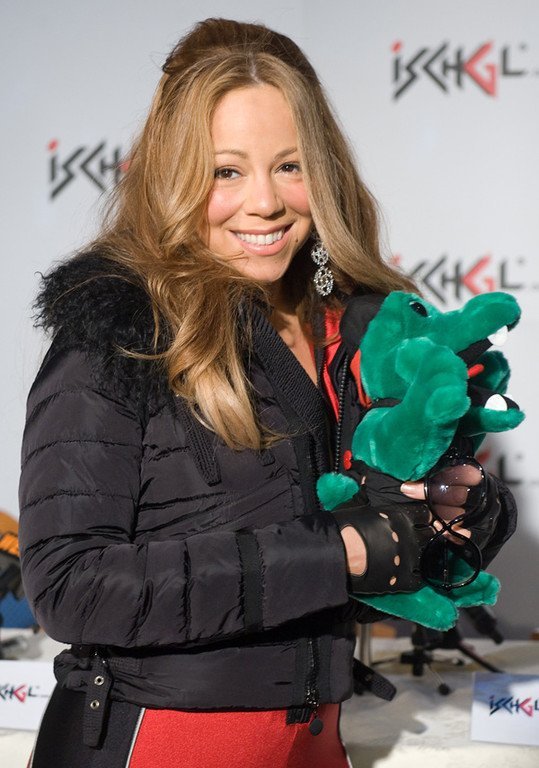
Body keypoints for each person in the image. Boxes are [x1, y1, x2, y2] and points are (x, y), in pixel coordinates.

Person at [19, 18, 517, 768]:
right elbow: (70, 586)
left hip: (316, 741)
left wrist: (463, 511)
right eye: (226, 171)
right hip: (157, 742)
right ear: (175, 177)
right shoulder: (118, 331)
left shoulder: (355, 326)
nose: (265, 203)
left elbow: (406, 526)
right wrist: (339, 553)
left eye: (289, 166)